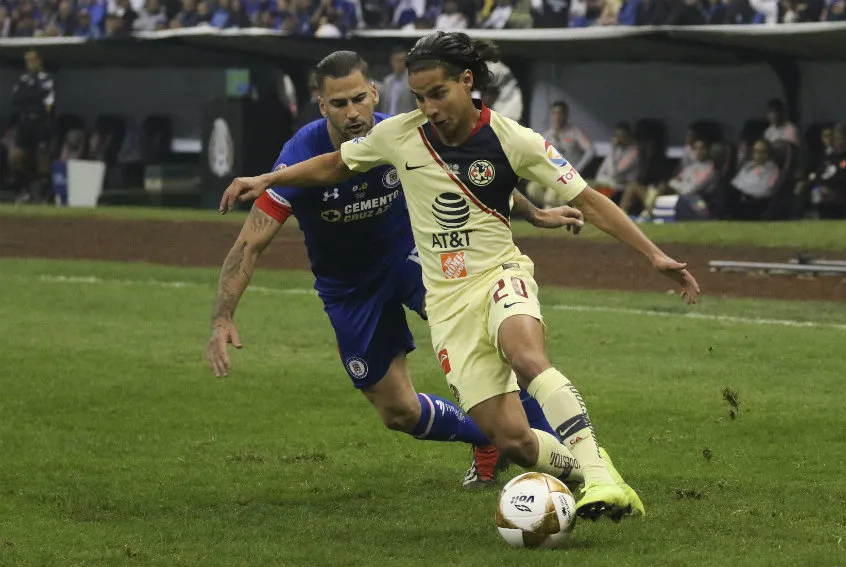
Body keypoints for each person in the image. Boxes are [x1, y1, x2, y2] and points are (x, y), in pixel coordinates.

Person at [220, 33, 700, 521]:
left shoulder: (510, 137)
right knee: (484, 432)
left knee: (525, 356)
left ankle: (599, 475)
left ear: (464, 82)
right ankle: (577, 467)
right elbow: (329, 170)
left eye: (437, 94)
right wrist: (269, 179)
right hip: (409, 296)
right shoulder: (394, 136)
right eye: (420, 97)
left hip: (478, 270)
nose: (429, 107)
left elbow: (569, 195)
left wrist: (651, 253)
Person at [206, 50, 587, 489]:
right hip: (348, 288)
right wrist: (222, 317)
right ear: (321, 105)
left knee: (499, 341)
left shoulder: (402, 133)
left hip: (414, 259)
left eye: (358, 99)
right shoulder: (298, 157)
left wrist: (534, 213)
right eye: (338, 104)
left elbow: (470, 174)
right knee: (398, 412)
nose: (352, 113)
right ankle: (487, 436)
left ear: (373, 93)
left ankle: (571, 461)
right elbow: (249, 244)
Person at [8, 49, 55, 203]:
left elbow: (47, 102)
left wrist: (30, 97)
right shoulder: (22, 79)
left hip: (40, 122)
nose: (30, 64)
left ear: (40, 60)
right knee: (15, 158)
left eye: (32, 60)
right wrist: (32, 96)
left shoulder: (47, 78)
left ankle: (45, 194)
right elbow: (16, 99)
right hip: (24, 122)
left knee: (42, 158)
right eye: (27, 61)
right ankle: (23, 190)